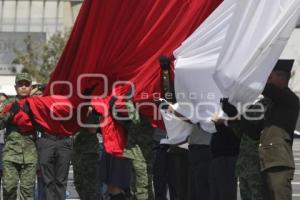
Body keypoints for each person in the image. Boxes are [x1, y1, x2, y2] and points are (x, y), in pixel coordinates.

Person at [0, 73, 37, 200]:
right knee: (9, 188)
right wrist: (10, 114)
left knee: (27, 192)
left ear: (31, 87)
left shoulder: (36, 104)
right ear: (15, 87)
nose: (23, 87)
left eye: (27, 84)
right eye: (20, 84)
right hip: (10, 153)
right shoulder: (8, 103)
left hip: (30, 154)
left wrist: (32, 115)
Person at [73, 107, 101, 200]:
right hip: (77, 150)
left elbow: (92, 129)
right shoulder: (77, 108)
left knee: (90, 185)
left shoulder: (93, 109)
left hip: (89, 151)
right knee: (79, 183)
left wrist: (89, 113)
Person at [210, 113, 240, 200]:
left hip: (229, 153)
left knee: (226, 192)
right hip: (217, 153)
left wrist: (223, 121)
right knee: (216, 192)